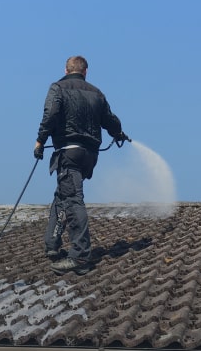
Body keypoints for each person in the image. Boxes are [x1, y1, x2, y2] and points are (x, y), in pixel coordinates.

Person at [34, 55, 129, 275]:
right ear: (85, 72)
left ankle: (80, 256)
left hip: (69, 152)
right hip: (90, 156)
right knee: (64, 194)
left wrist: (40, 141)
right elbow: (110, 120)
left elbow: (51, 115)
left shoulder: (57, 88)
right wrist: (119, 134)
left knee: (72, 198)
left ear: (66, 70)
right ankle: (52, 243)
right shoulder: (97, 93)